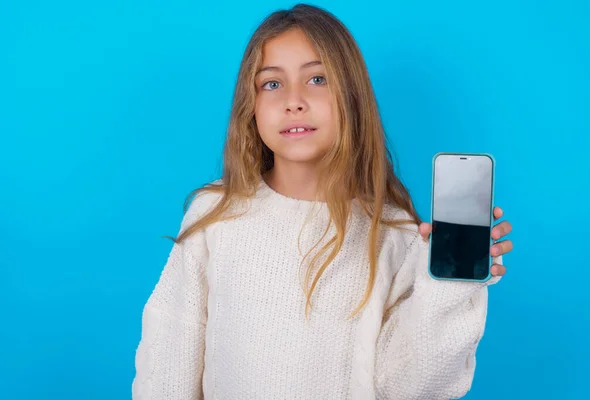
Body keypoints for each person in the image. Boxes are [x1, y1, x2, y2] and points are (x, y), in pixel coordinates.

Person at [131, 4, 513, 399]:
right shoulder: (215, 215)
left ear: (351, 97)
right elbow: (168, 358)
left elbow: (411, 386)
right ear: (251, 105)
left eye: (317, 78)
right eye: (272, 84)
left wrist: (448, 286)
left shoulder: (394, 235)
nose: (294, 101)